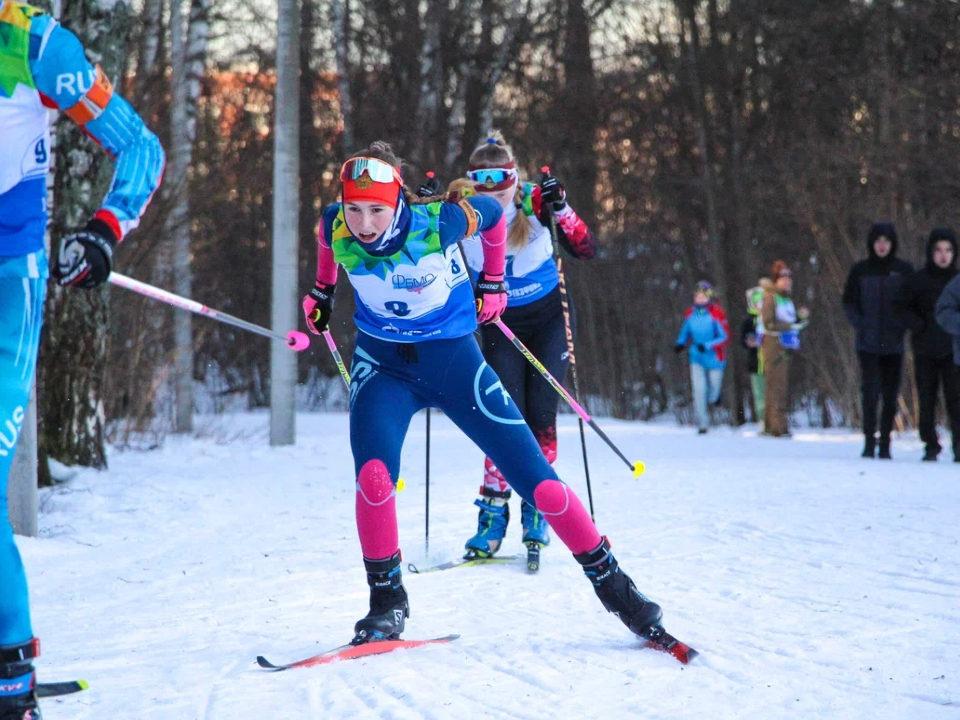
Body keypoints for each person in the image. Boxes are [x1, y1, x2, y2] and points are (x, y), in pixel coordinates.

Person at [301, 141, 665, 647]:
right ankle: (386, 603)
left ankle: (618, 590)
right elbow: (326, 247)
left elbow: (494, 215)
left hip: (453, 363)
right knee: (375, 478)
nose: (364, 224)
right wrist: (322, 293)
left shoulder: (439, 224)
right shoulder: (334, 222)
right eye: (355, 208)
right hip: (382, 368)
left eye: (377, 210)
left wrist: (493, 281)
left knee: (539, 480)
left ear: (398, 201)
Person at [0, 3, 165, 717]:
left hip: (8, 281)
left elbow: (141, 149)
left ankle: (11, 679)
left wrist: (104, 228)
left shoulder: (30, 42)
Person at [452, 133, 598, 561]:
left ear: (516, 180)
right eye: (487, 193)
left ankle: (538, 504)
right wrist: (429, 212)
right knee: (504, 417)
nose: (496, 201)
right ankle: (493, 514)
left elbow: (586, 249)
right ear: (473, 187)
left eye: (503, 191)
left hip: (548, 319)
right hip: (499, 322)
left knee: (542, 415)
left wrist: (563, 207)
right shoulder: (460, 211)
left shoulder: (535, 203)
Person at [842, 222, 914, 459]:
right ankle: (869, 441)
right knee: (870, 393)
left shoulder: (904, 270)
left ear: (892, 244)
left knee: (891, 394)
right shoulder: (860, 270)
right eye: (878, 241)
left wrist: (902, 324)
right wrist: (859, 323)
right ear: (872, 244)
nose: (882, 246)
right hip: (868, 343)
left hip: (893, 343)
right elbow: (848, 302)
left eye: (886, 241)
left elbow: (912, 303)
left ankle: (885, 442)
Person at [894, 228, 960, 462]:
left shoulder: (957, 280)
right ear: (931, 252)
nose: (943, 255)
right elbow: (901, 308)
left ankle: (959, 446)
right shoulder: (917, 280)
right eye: (939, 250)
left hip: (954, 350)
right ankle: (930, 444)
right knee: (927, 398)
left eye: (948, 250)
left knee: (956, 400)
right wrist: (918, 325)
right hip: (925, 349)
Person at [759, 261, 808, 438]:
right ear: (775, 281)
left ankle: (769, 425)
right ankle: (779, 427)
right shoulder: (770, 298)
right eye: (782, 279)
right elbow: (769, 323)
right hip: (774, 346)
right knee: (777, 386)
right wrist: (790, 325)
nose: (786, 282)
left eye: (788, 279)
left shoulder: (786, 299)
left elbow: (792, 322)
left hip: (786, 346)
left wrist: (800, 319)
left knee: (777, 385)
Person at [674, 281, 729, 434]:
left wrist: (707, 345)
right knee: (699, 389)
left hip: (715, 357)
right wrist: (680, 343)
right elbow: (685, 331)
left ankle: (716, 397)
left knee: (713, 390)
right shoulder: (690, 314)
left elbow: (724, 337)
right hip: (696, 356)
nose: (699, 299)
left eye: (703, 296)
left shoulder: (716, 313)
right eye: (697, 296)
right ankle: (703, 423)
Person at [741, 285, 766, 427]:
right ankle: (762, 421)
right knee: (759, 395)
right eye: (757, 302)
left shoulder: (771, 319)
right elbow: (742, 340)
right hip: (755, 363)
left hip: (771, 362)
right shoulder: (749, 321)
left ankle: (773, 421)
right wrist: (748, 342)